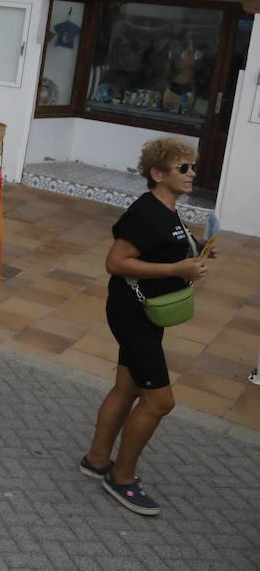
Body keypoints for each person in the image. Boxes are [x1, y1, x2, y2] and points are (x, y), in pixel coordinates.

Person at [81, 138, 208, 516]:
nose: (191, 174)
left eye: (192, 167)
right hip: (134, 314)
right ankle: (122, 478)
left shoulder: (168, 210)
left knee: (127, 386)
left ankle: (96, 459)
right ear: (157, 174)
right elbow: (116, 262)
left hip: (145, 314)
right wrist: (176, 270)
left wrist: (196, 248)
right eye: (182, 168)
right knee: (159, 401)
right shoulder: (146, 212)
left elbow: (163, 244)